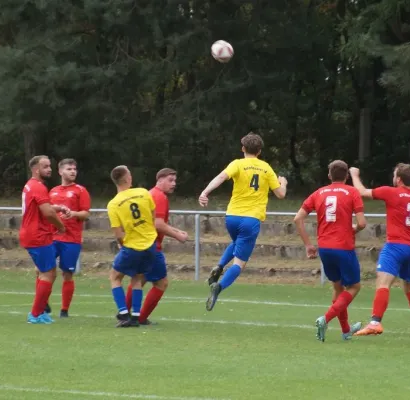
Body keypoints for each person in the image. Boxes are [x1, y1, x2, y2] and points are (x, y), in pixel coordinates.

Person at [198, 132, 288, 311]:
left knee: (236, 242)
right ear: (260, 151)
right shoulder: (266, 168)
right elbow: (281, 194)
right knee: (240, 264)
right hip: (251, 219)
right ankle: (219, 286)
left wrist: (205, 192)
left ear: (243, 149)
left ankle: (220, 265)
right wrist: (282, 182)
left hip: (231, 216)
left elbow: (221, 177)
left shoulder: (237, 164)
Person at [350, 164, 410, 336]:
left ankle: (375, 323)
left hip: (396, 246)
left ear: (398, 179)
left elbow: (361, 192)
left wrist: (354, 175)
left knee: (383, 283)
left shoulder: (391, 192)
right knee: (409, 286)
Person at [293, 160, 366, 342]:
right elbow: (362, 223)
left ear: (329, 176)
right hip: (343, 247)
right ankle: (325, 319)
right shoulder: (352, 192)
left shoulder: (319, 193)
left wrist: (309, 244)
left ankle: (346, 331)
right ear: (347, 177)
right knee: (355, 286)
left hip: (325, 248)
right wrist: (353, 229)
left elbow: (297, 218)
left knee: (337, 287)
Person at [125, 168, 188, 325]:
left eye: (175, 180)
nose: (174, 184)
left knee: (139, 279)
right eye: (170, 180)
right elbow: (158, 224)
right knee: (161, 283)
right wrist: (178, 236)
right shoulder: (159, 197)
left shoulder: (149, 194)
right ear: (159, 180)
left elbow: (157, 222)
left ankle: (124, 313)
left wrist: (175, 229)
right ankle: (141, 318)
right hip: (152, 245)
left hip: (141, 243)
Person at [107, 165, 158, 328]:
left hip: (132, 246)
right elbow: (153, 216)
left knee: (115, 277)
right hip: (150, 244)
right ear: (128, 179)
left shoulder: (113, 204)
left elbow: (118, 233)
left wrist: (123, 246)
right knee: (136, 277)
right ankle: (135, 316)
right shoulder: (144, 193)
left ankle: (123, 313)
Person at [21, 155, 66, 324]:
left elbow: (43, 208)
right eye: (45, 166)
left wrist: (58, 208)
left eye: (49, 166)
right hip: (37, 235)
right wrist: (61, 226)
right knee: (48, 273)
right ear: (35, 169)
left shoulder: (31, 186)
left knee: (48, 272)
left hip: (34, 234)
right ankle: (35, 314)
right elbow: (47, 213)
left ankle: (39, 311)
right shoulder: (38, 187)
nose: (49, 169)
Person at [49, 158, 91, 318]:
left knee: (67, 273)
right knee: (43, 269)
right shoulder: (52, 191)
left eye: (74, 169)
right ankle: (43, 302)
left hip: (71, 238)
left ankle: (64, 310)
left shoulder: (80, 190)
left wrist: (73, 214)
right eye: (69, 169)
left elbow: (86, 214)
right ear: (60, 171)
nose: (73, 171)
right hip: (51, 237)